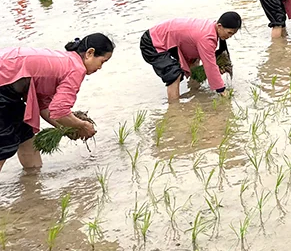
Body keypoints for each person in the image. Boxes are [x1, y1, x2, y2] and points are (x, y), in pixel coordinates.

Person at [0, 34, 114, 173]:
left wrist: (66, 129)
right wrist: (82, 125)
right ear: (90, 53)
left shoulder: (67, 61)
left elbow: (46, 108)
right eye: (103, 61)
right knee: (5, 142)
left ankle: (32, 183)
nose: (100, 67)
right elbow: (60, 111)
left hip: (9, 86)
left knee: (24, 133)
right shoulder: (76, 69)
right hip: (4, 84)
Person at [140, 12, 242, 103]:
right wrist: (221, 90)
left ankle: (195, 92)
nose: (230, 37)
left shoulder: (211, 28)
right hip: (152, 42)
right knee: (174, 74)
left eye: (233, 34)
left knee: (195, 60)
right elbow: (210, 66)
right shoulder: (207, 38)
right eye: (229, 33)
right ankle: (174, 109)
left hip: (169, 38)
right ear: (219, 26)